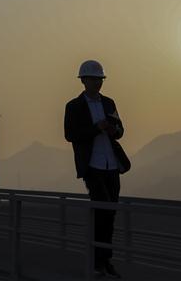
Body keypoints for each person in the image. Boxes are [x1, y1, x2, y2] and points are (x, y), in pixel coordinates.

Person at [64, 59, 131, 278]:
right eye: (93, 79)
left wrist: (113, 130)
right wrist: (96, 128)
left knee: (110, 212)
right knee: (102, 211)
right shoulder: (73, 106)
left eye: (99, 79)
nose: (97, 83)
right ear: (83, 81)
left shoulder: (109, 103)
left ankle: (105, 260)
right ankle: (98, 260)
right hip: (92, 165)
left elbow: (121, 130)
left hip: (111, 164)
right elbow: (70, 135)